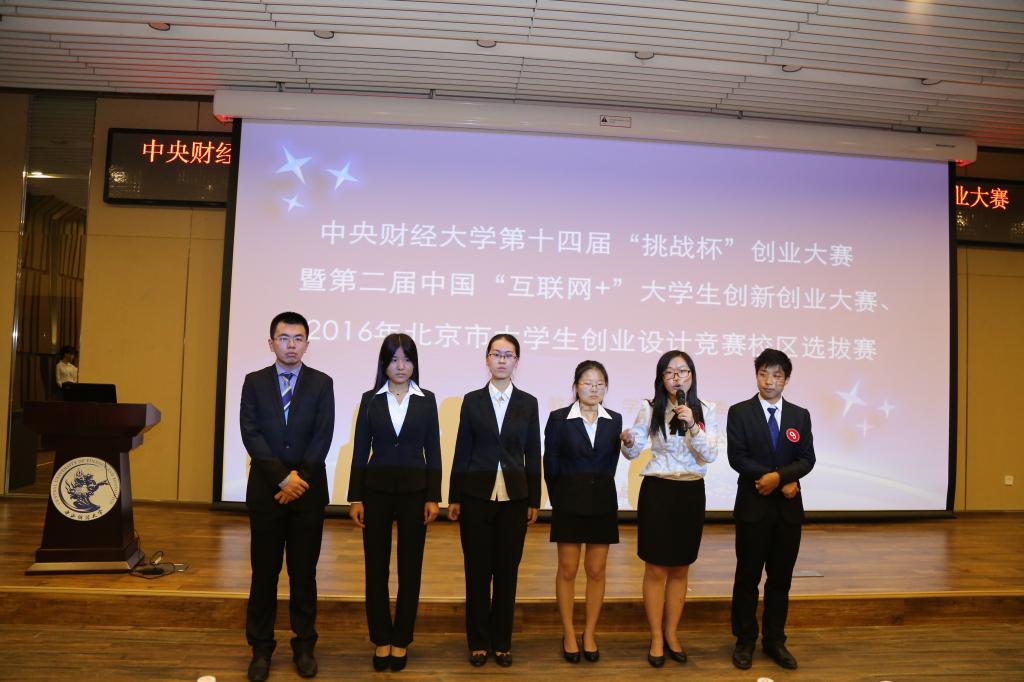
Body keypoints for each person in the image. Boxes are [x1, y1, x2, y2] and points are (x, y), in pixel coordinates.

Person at [239, 311, 335, 682]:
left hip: (308, 494)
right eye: (284, 338)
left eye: (297, 339)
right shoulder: (254, 382)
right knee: (264, 573)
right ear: (271, 343)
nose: (291, 345)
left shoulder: (322, 383)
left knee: (303, 573)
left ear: (307, 344)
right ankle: (261, 648)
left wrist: (298, 480)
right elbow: (250, 432)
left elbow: (322, 436)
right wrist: (281, 479)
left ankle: (304, 645)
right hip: (267, 492)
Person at [348, 333, 442, 672]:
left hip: (416, 493)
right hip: (375, 491)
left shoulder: (427, 400)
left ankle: (401, 638)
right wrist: (356, 497)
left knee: (410, 567)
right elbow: (360, 450)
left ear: (415, 363)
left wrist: (433, 496)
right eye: (393, 360)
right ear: (384, 364)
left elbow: (433, 450)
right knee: (376, 566)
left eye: (407, 359)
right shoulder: (370, 399)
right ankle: (381, 637)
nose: (401, 366)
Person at [620, 350, 719, 667]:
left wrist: (693, 425)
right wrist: (627, 442)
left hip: (690, 491)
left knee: (681, 567)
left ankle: (672, 633)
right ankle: (655, 637)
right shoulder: (650, 408)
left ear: (692, 376)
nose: (677, 378)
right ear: (661, 378)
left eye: (683, 371)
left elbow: (709, 455)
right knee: (655, 568)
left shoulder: (706, 409)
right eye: (670, 372)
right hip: (659, 490)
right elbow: (634, 450)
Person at [447, 334, 541, 668]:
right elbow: (462, 449)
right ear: (487, 359)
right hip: (475, 496)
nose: (502, 360)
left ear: (517, 361)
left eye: (508, 355)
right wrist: (454, 496)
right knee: (476, 571)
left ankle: (501, 641)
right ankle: (477, 641)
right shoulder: (472, 401)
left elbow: (533, 452)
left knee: (506, 572)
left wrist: (534, 499)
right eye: (496, 354)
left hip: (515, 498)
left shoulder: (528, 402)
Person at [727, 348, 815, 671]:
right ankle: (745, 640)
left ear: (786, 379)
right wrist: (780, 479)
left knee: (780, 579)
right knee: (747, 577)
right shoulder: (740, 412)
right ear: (757, 376)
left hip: (788, 512)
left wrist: (780, 478)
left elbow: (807, 458)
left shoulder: (800, 415)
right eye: (763, 374)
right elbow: (738, 457)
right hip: (753, 508)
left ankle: (775, 640)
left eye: (776, 375)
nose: (769, 381)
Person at [543, 360, 622, 664]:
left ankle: (589, 633)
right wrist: (559, 500)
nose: (594, 388)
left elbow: (612, 463)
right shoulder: (559, 419)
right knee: (567, 570)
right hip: (568, 503)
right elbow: (551, 464)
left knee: (597, 571)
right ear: (576, 386)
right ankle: (568, 632)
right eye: (587, 383)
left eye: (600, 383)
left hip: (602, 503)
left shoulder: (614, 420)